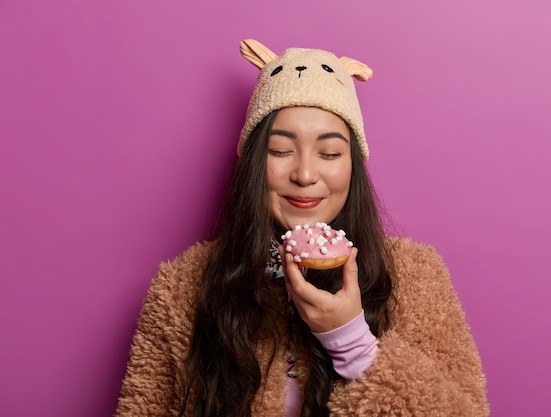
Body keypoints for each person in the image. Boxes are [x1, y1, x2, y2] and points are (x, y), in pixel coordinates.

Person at [115, 39, 489, 417]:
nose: (306, 175)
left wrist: (353, 344)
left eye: (329, 153)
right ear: (253, 165)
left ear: (353, 167)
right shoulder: (181, 289)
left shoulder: (416, 277)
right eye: (280, 151)